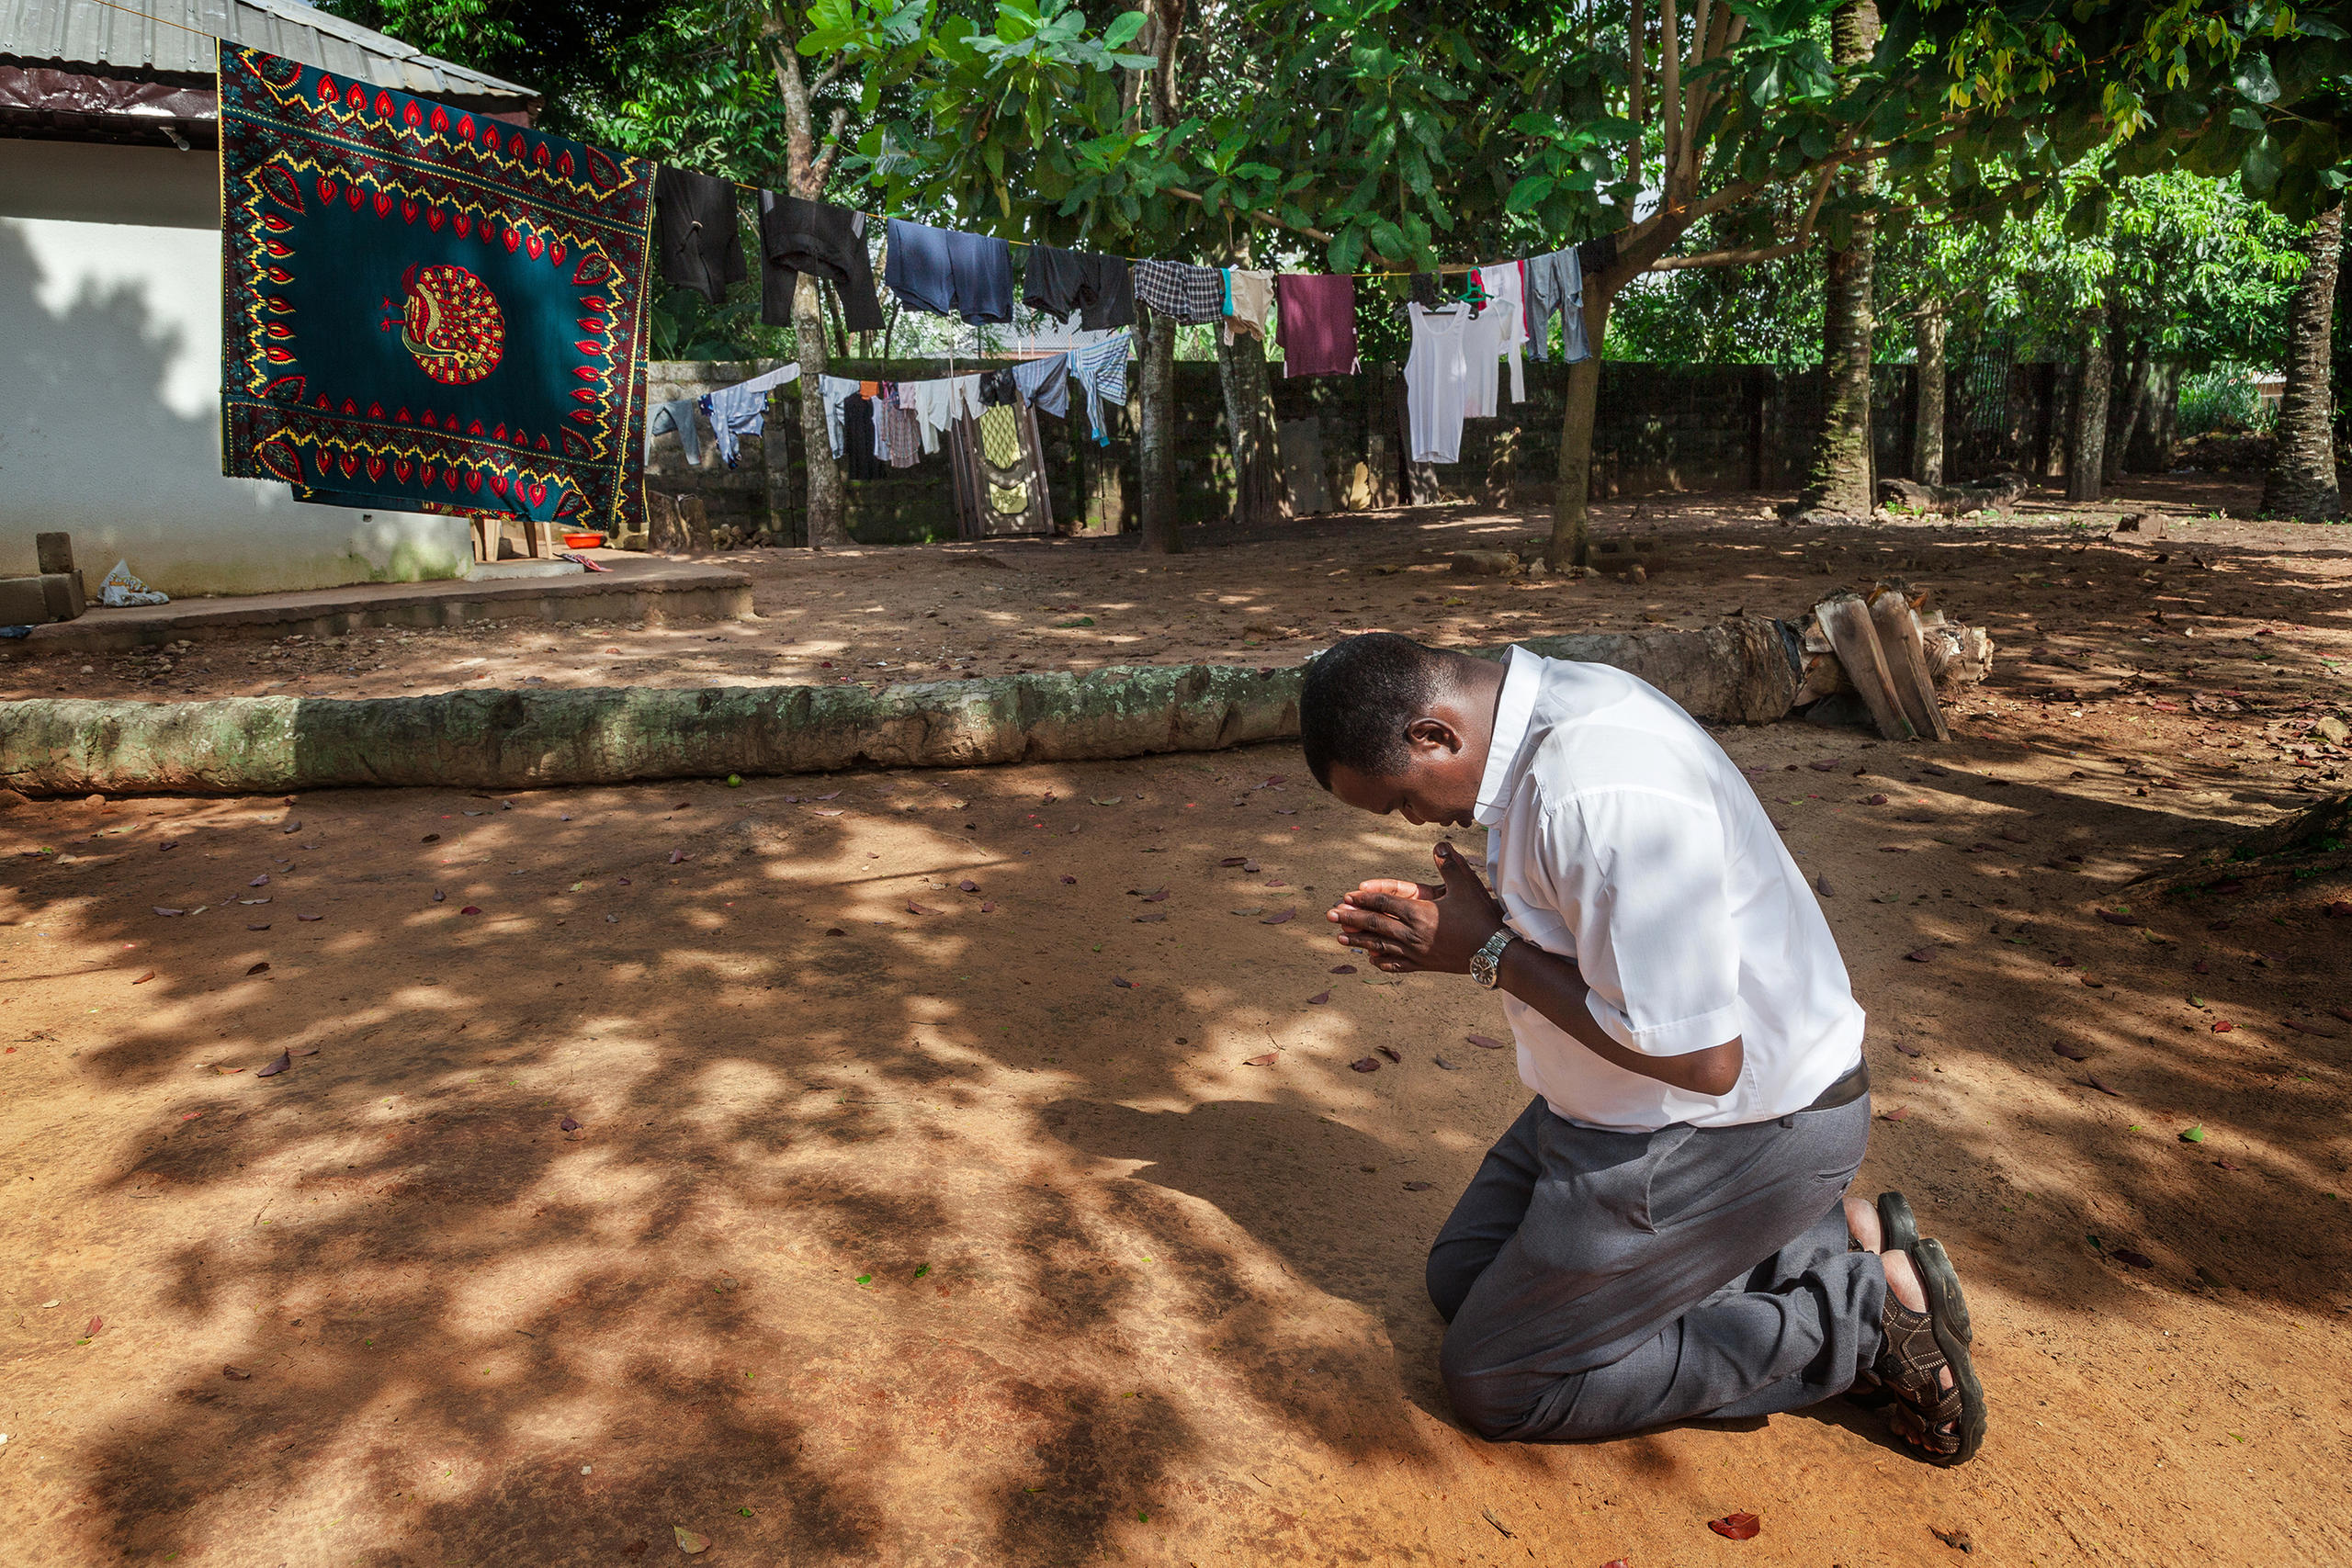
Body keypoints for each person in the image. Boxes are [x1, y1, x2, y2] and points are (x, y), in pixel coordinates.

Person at [1301, 633, 1985, 1463]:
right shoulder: (1551, 708)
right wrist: (1483, 929)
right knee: (1462, 1275)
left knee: (1497, 1375)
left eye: (1401, 799)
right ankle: (1809, 1241)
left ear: (1433, 735)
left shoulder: (1597, 790)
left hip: (1734, 1127)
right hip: (1625, 1116)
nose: (1415, 819)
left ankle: (1856, 1316)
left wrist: (1487, 954)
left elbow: (1705, 1061)